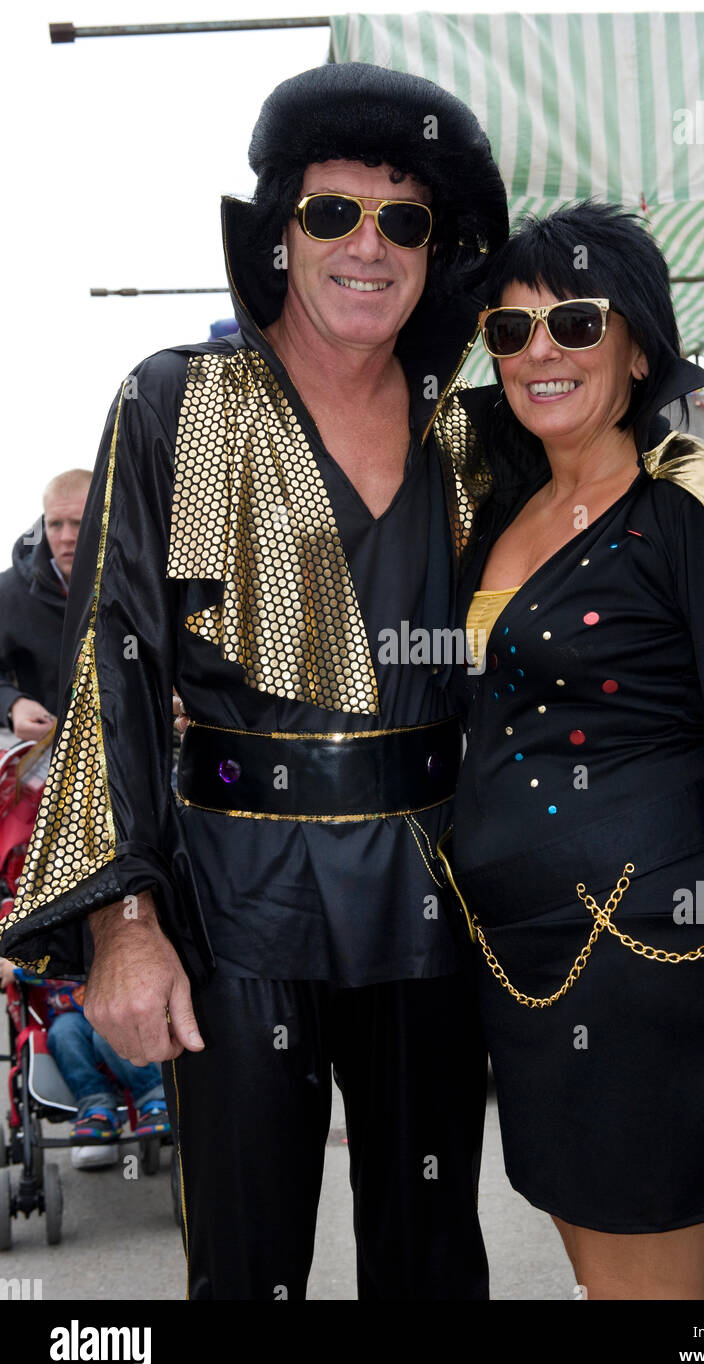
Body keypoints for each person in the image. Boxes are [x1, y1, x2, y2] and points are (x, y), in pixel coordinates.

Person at [0, 62, 508, 1300]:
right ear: (278, 232)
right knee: (246, 1267)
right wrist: (125, 924)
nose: (368, 246)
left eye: (405, 220)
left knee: (433, 1264)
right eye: (333, 212)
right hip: (236, 901)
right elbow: (111, 664)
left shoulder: (475, 434)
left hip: (433, 894)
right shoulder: (177, 402)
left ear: (437, 250)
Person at [437, 203, 704, 1300]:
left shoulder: (686, 505)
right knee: (599, 1280)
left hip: (651, 965)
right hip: (522, 971)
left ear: (637, 348)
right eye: (512, 328)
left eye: (575, 322)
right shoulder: (504, 520)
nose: (541, 351)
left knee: (652, 1297)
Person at [0, 957, 169, 1168]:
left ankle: (153, 1098)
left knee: (109, 1035)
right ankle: (95, 1107)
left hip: (111, 1007)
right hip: (68, 1016)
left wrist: (19, 970)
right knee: (62, 1035)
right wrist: (16, 966)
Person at [0, 470, 92, 742]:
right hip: (49, 757)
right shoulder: (10, 591)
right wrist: (12, 704)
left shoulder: (139, 584)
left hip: (135, 758)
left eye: (78, 523)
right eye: (55, 524)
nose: (66, 537)